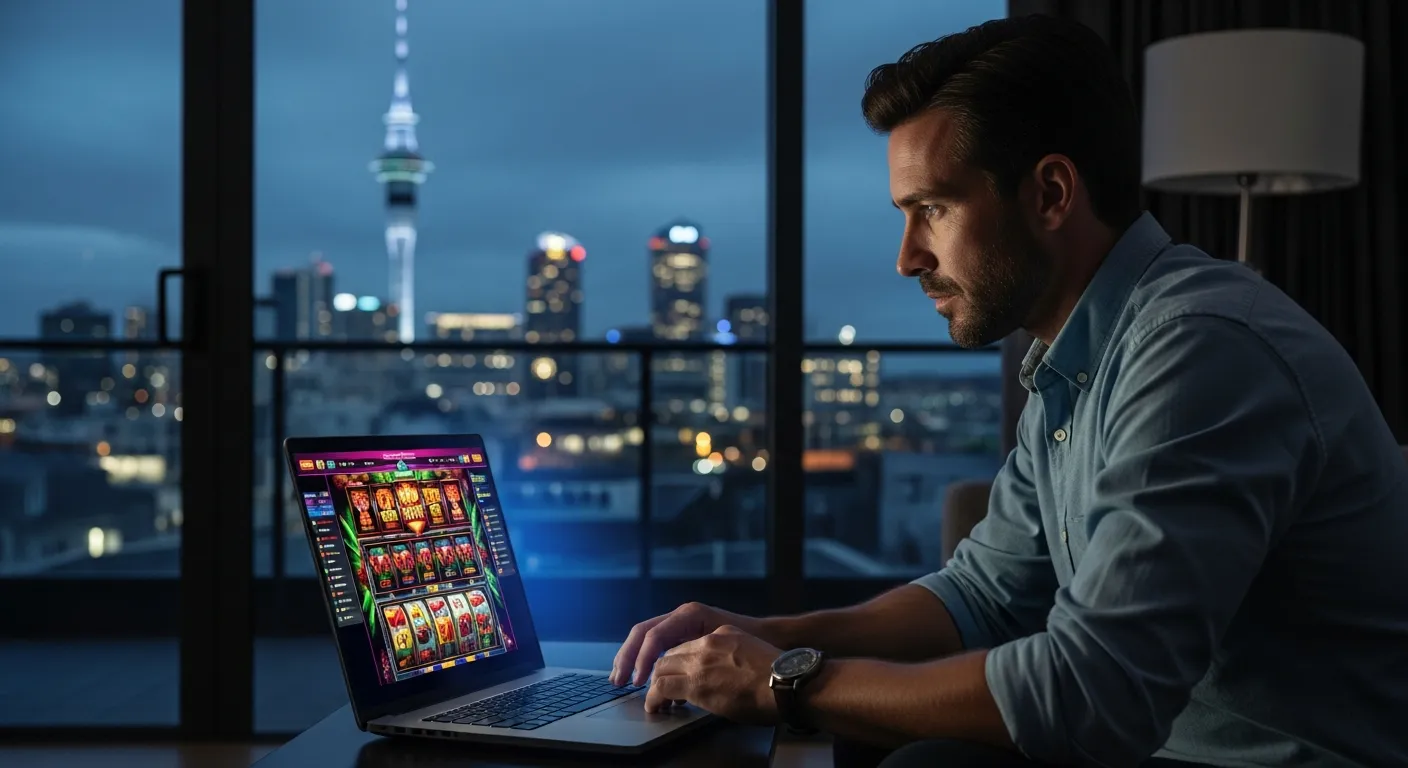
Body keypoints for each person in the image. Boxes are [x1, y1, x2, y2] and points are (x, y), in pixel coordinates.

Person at [609, 13, 1408, 768]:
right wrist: (765, 635)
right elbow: (983, 596)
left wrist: (783, 682)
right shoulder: (1077, 356)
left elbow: (1095, 693)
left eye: (933, 209)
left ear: (1052, 194)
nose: (907, 257)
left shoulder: (1202, 350)